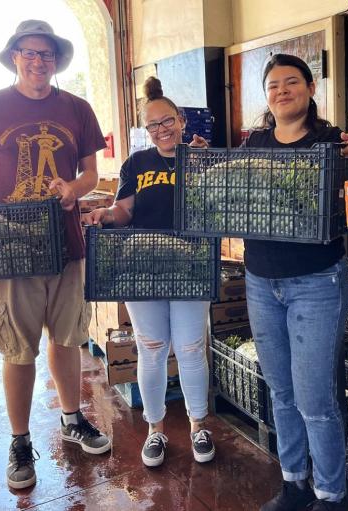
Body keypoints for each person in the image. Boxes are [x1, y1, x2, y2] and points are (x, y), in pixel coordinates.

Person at [0, 20, 111, 490]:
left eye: (48, 54)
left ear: (56, 61)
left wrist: (72, 191)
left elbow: (90, 173)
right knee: (18, 349)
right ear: (14, 56)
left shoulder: (77, 109)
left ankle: (72, 418)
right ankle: (19, 441)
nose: (40, 61)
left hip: (66, 244)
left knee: (67, 340)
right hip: (6, 248)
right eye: (30, 53)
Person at [241, 54, 348, 511]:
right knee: (281, 391)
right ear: (267, 96)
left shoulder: (333, 141)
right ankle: (295, 483)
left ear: (310, 87)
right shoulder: (255, 142)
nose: (282, 91)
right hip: (261, 280)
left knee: (316, 399)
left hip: (317, 281)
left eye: (291, 82)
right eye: (274, 85)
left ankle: (330, 494)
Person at [82, 76, 214, 468]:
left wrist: (206, 164)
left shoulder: (199, 157)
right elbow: (125, 211)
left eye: (167, 121)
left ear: (181, 121)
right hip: (144, 266)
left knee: (191, 348)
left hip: (191, 264)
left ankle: (198, 425)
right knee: (152, 348)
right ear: (147, 130)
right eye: (153, 125)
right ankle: (155, 430)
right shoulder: (137, 163)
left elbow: (214, 206)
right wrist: (106, 215)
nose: (162, 129)